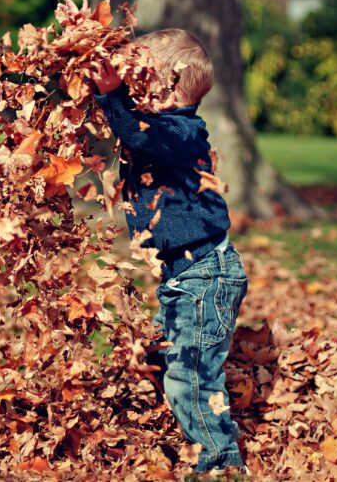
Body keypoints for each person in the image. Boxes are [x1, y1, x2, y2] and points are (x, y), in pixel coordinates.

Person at [92, 28, 248, 473]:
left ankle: (221, 463)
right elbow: (132, 131)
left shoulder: (182, 132)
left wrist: (112, 97)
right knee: (159, 354)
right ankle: (179, 430)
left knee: (192, 379)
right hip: (185, 277)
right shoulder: (161, 128)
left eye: (139, 82)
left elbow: (140, 137)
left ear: (166, 86)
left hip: (205, 276)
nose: (131, 91)